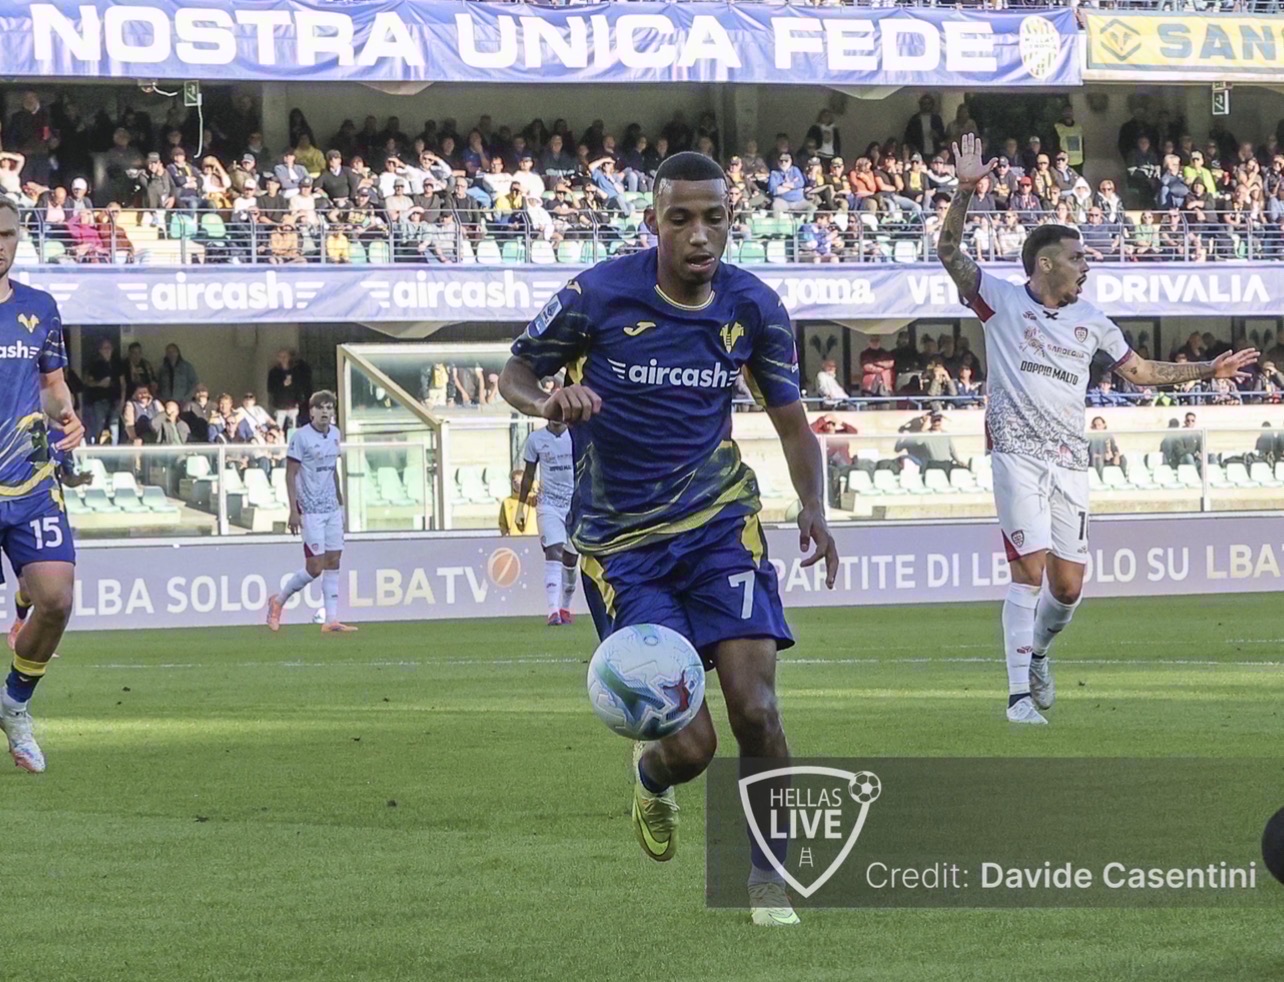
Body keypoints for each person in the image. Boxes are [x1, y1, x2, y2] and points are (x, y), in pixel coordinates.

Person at [498, 152, 837, 927]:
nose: (698, 233)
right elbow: (514, 373)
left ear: (730, 219)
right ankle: (653, 776)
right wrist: (552, 399)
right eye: (680, 218)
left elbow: (792, 424)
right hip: (623, 549)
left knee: (757, 710)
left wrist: (814, 505)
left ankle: (767, 880)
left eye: (713, 217)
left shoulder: (755, 308)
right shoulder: (599, 294)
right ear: (652, 221)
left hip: (722, 527)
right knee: (695, 749)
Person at [937, 134, 1259, 727]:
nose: (1088, 266)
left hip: (1070, 462)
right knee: (1027, 569)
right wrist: (963, 191)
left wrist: (1206, 369)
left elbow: (1140, 373)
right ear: (1046, 262)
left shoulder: (1092, 321)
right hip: (1016, 454)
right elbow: (950, 253)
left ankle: (1038, 655)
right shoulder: (1001, 302)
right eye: (1078, 257)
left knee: (1067, 585)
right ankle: (1015, 699)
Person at [0, 198, 84, 772]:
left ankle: (13, 704)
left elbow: (52, 385)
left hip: (30, 479)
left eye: (5, 234)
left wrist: (67, 415)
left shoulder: (39, 307)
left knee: (55, 600)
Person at [265, 391, 356, 634]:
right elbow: (290, 474)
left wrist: (340, 503)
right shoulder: (300, 437)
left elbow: (333, 470)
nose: (325, 412)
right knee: (314, 567)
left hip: (331, 508)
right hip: (310, 510)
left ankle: (331, 619)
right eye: (321, 408)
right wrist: (293, 510)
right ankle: (278, 601)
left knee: (334, 559)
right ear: (312, 411)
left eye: (329, 408)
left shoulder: (335, 434)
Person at [515, 421, 578, 626]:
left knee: (570, 559)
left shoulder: (576, 436)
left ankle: (565, 607)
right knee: (554, 550)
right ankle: (552, 611)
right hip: (548, 505)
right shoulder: (536, 439)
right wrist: (520, 508)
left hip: (574, 504)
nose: (555, 416)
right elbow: (528, 475)